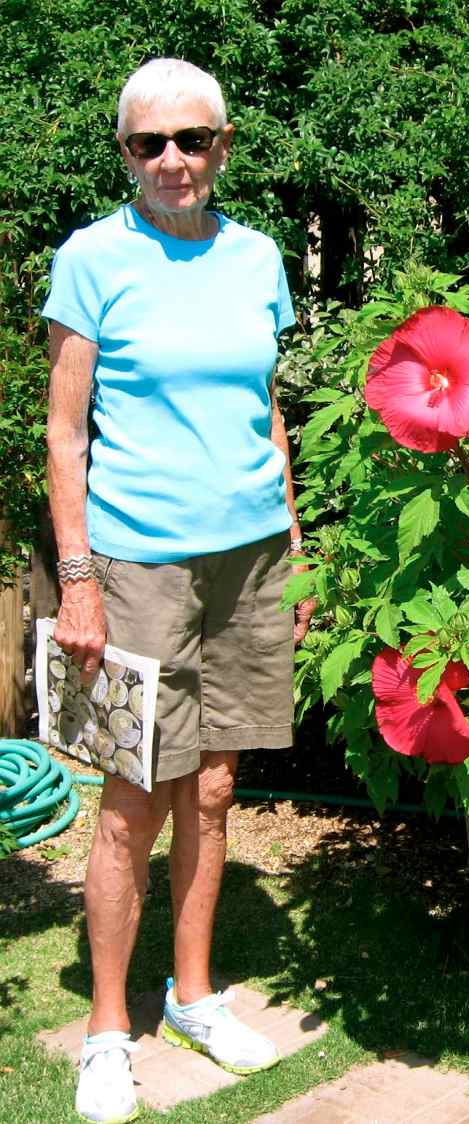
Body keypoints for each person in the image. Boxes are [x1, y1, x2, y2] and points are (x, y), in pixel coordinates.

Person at [43, 58, 315, 1124]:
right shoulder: (92, 261)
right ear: (124, 154)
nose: (171, 161)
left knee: (213, 788)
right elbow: (67, 432)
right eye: (148, 144)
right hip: (136, 562)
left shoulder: (255, 257)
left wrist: (292, 539)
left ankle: (192, 992)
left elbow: (266, 411)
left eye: (191, 140)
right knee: (130, 802)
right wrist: (77, 581)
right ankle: (109, 1026)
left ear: (223, 145)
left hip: (248, 556)